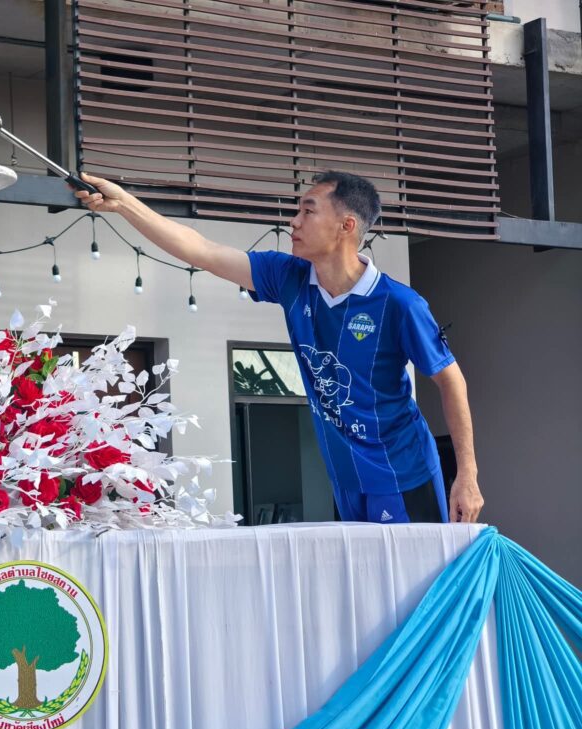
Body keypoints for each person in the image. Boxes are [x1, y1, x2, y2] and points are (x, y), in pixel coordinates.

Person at [74, 170, 484, 524]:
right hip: (345, 477)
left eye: (308, 211)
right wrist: (124, 204)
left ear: (346, 226)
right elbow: (201, 250)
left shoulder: (399, 304)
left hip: (403, 474)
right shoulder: (288, 277)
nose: (294, 221)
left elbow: (451, 381)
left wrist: (467, 476)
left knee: (426, 585)